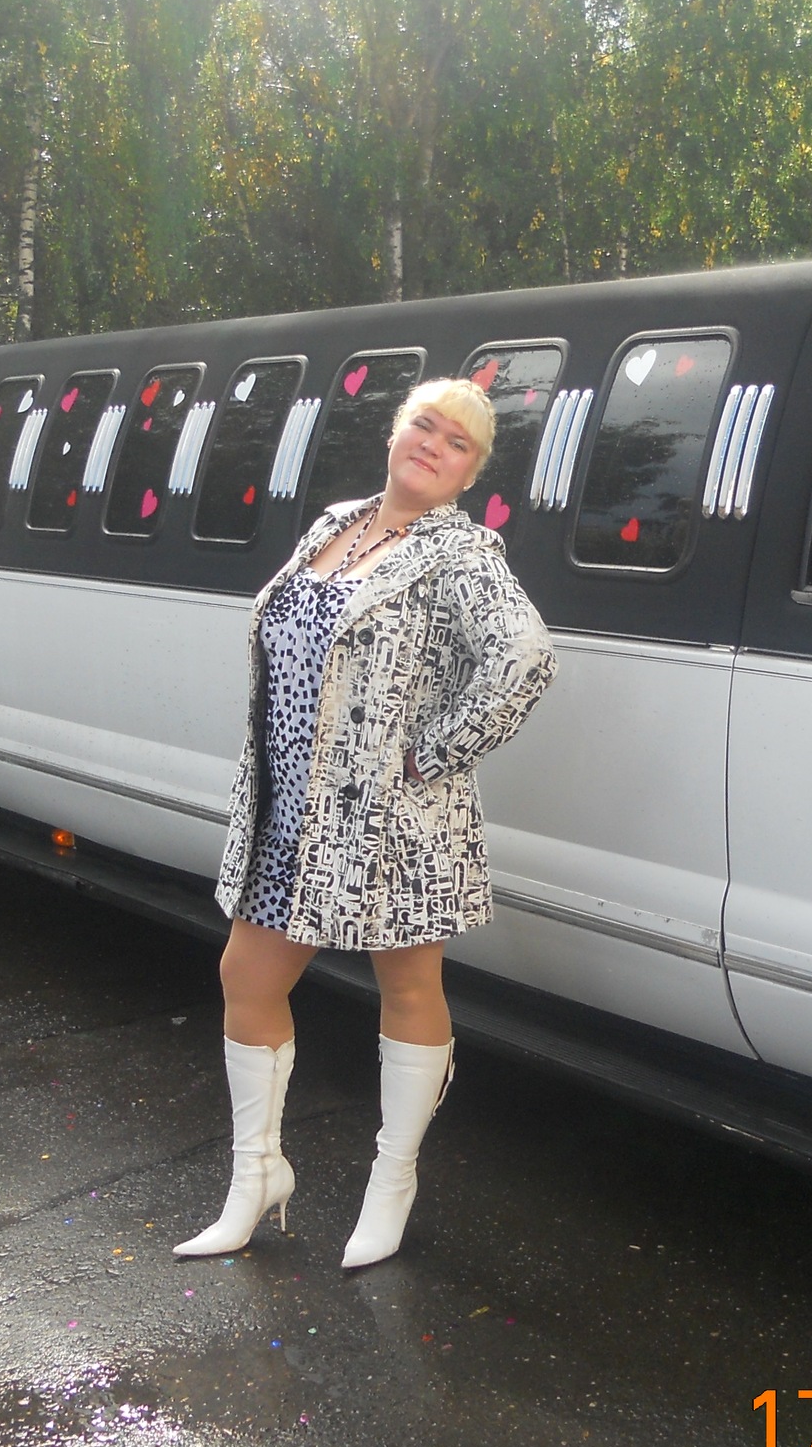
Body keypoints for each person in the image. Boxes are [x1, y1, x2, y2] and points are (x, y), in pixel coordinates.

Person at [176, 377, 557, 1269]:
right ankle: (255, 1176)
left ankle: (393, 1182)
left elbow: (526, 658)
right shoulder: (333, 525)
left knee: (409, 988)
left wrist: (433, 754)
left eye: (458, 443)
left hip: (395, 820)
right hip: (289, 806)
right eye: (425, 425)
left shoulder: (461, 555)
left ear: (469, 473)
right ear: (394, 433)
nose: (435, 446)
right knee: (245, 977)